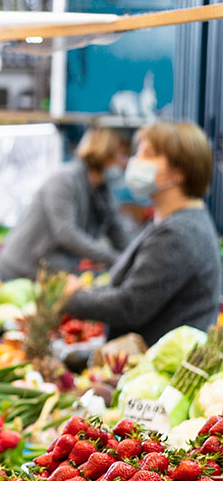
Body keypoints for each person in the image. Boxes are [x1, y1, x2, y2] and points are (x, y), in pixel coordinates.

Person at [65, 122, 222, 345]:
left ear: (179, 172)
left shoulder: (178, 234)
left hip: (155, 367)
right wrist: (88, 292)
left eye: (148, 154)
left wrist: (69, 299)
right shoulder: (173, 220)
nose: (134, 161)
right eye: (138, 152)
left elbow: (131, 306)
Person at [0, 128, 132, 281]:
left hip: (53, 272)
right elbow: (66, 233)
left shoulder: (102, 193)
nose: (126, 164)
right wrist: (116, 259)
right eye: (123, 156)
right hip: (20, 270)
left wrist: (133, 258)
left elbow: (117, 232)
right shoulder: (64, 180)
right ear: (105, 152)